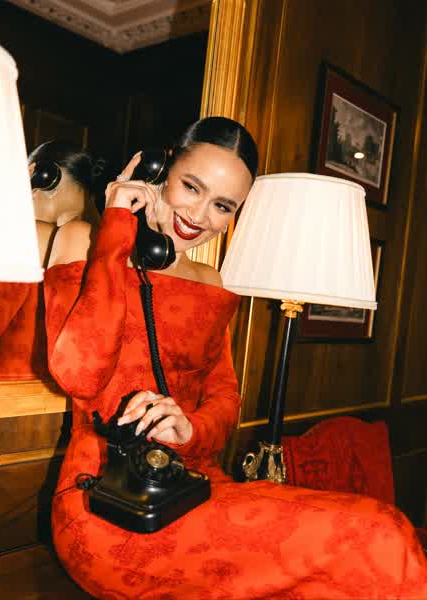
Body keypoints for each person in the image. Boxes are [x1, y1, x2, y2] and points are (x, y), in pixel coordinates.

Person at [44, 117, 427, 599]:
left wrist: (189, 429)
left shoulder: (214, 282)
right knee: (376, 537)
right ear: (160, 169)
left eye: (222, 205)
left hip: (195, 484)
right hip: (102, 502)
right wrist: (117, 230)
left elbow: (225, 399)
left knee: (381, 532)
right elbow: (79, 375)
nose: (200, 215)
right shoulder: (83, 239)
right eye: (191, 187)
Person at [0, 141, 103, 381]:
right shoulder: (113, 243)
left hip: (16, 395)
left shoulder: (28, 238)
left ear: (43, 179)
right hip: (81, 395)